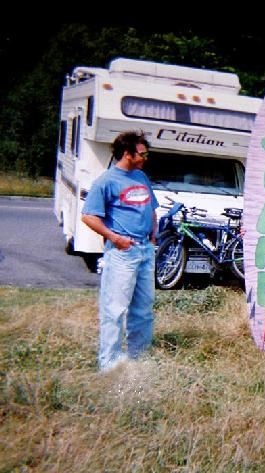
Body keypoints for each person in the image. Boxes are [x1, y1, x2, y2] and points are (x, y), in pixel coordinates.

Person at [81, 131, 159, 372]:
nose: (145, 157)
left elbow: (151, 206)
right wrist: (115, 238)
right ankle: (109, 364)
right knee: (114, 309)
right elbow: (88, 216)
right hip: (122, 253)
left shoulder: (141, 177)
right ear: (127, 154)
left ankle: (138, 358)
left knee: (144, 309)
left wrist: (153, 232)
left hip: (145, 250)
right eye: (142, 153)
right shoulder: (106, 181)